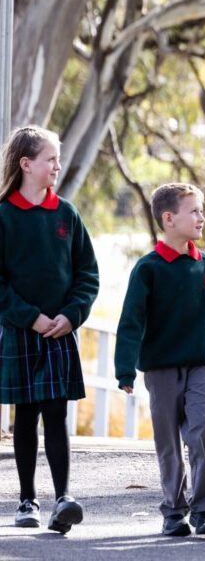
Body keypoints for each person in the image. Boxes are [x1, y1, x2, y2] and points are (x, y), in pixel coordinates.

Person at [114, 182, 205, 537]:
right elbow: (131, 322)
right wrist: (124, 369)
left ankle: (202, 509)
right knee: (168, 440)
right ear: (169, 219)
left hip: (202, 363)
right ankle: (173, 511)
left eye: (202, 210)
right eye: (195, 211)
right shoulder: (148, 269)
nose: (202, 217)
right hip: (161, 369)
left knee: (203, 430)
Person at [0, 126, 99, 534]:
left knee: (57, 413)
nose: (57, 166)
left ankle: (63, 498)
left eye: (58, 159)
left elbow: (87, 275)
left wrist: (71, 316)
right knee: (25, 417)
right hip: (24, 331)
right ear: (26, 164)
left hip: (60, 330)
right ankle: (27, 500)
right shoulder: (3, 215)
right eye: (51, 159)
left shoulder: (67, 214)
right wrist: (31, 317)